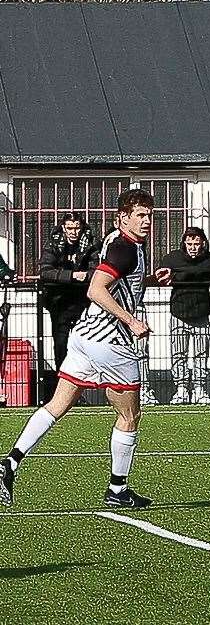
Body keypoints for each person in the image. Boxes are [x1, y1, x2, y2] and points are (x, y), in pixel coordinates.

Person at [0, 189, 172, 508]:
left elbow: (115, 280)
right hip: (111, 342)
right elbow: (96, 289)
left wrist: (149, 278)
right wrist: (131, 321)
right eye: (140, 215)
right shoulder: (125, 249)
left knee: (58, 403)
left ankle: (9, 462)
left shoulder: (118, 242)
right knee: (130, 414)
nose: (148, 220)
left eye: (150, 214)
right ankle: (118, 489)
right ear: (123, 217)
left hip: (84, 335)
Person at [160, 228, 210, 405]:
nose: (193, 247)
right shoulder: (172, 258)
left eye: (196, 244)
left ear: (203, 243)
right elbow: (161, 276)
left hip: (201, 313)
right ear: (184, 244)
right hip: (179, 312)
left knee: (201, 354)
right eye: (190, 244)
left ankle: (199, 389)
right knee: (178, 353)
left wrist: (182, 274)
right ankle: (180, 389)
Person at [39, 214, 99, 371]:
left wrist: (86, 275)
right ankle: (62, 378)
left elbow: (98, 270)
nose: (74, 232)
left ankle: (82, 380)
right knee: (60, 343)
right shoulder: (54, 243)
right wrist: (72, 276)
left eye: (77, 228)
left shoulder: (90, 243)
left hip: (83, 300)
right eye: (70, 228)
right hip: (59, 302)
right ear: (64, 228)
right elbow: (45, 271)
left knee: (85, 343)